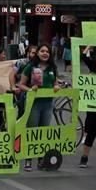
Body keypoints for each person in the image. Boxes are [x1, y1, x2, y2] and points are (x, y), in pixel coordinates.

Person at [16, 43, 60, 171]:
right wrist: (30, 89)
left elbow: (55, 83)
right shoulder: (30, 67)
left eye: (47, 51)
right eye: (42, 51)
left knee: (43, 132)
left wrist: (56, 87)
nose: (45, 53)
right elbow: (21, 85)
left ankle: (41, 160)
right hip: (33, 104)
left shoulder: (53, 68)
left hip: (48, 104)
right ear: (38, 53)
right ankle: (28, 160)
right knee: (32, 131)